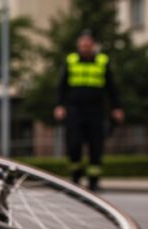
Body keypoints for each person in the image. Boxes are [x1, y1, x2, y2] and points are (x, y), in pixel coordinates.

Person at [54, 30, 124, 192]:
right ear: (79, 45)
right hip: (75, 110)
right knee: (74, 144)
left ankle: (94, 182)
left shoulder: (102, 61)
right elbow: (62, 86)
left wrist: (117, 107)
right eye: (83, 43)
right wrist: (59, 105)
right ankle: (75, 178)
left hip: (96, 111)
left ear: (93, 45)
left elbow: (112, 87)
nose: (85, 46)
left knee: (96, 146)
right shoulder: (71, 60)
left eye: (88, 43)